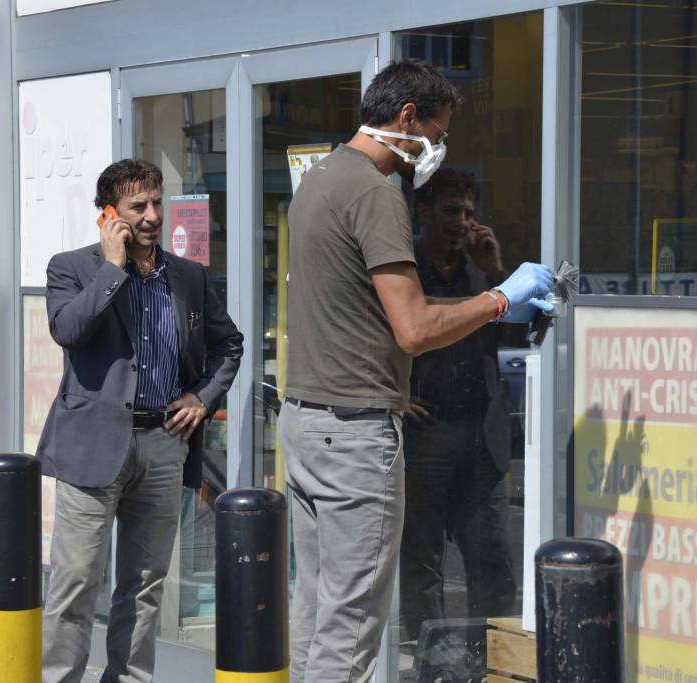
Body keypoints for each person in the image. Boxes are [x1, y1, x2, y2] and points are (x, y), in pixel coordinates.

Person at [279, 58, 554, 683]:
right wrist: (502, 298)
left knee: (318, 611)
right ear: (407, 118)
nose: (437, 147)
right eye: (438, 131)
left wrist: (487, 288)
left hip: (306, 422)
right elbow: (415, 329)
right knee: (350, 629)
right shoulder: (375, 193)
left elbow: (374, 310)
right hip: (354, 435)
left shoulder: (319, 179)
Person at [37, 159, 243, 683]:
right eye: (137, 207)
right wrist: (112, 268)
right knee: (76, 583)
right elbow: (68, 329)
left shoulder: (189, 277)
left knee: (145, 583)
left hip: (163, 444)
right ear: (109, 215)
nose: (152, 216)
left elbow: (229, 344)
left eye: (157, 202)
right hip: (92, 450)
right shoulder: (70, 267)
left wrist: (202, 395)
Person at [400, 168, 517, 645]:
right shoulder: (403, 270)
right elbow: (373, 336)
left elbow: (517, 340)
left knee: (491, 558)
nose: (462, 223)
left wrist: (495, 273)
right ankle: (436, 664)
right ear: (423, 211)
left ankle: (491, 658)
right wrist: (393, 393)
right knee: (422, 559)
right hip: (426, 434)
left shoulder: (479, 270)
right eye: (451, 211)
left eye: (469, 212)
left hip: (481, 435)